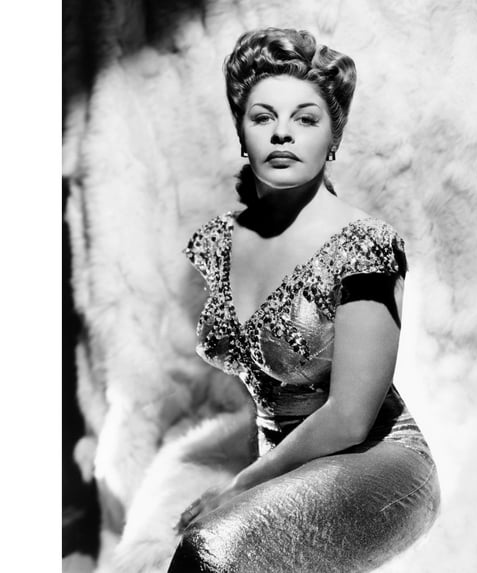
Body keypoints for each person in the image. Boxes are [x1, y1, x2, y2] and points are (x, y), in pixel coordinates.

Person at [168, 27, 440, 573]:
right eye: (263, 117)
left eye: (306, 119)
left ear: (333, 137)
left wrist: (240, 487)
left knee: (210, 552)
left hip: (377, 463)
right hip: (281, 465)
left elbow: (350, 418)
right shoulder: (217, 242)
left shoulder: (365, 245)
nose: (282, 133)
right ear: (241, 133)